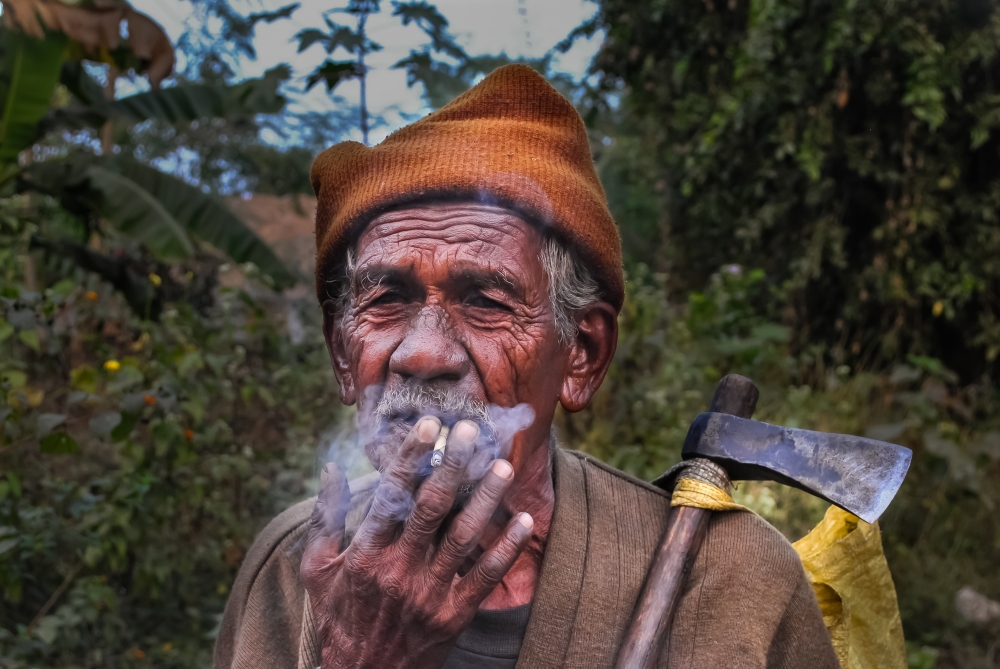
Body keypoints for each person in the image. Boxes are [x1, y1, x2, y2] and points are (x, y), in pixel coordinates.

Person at [214, 64, 840, 669]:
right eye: (387, 300)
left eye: (485, 302)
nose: (422, 354)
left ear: (582, 354)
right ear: (341, 352)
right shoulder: (288, 573)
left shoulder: (732, 580)